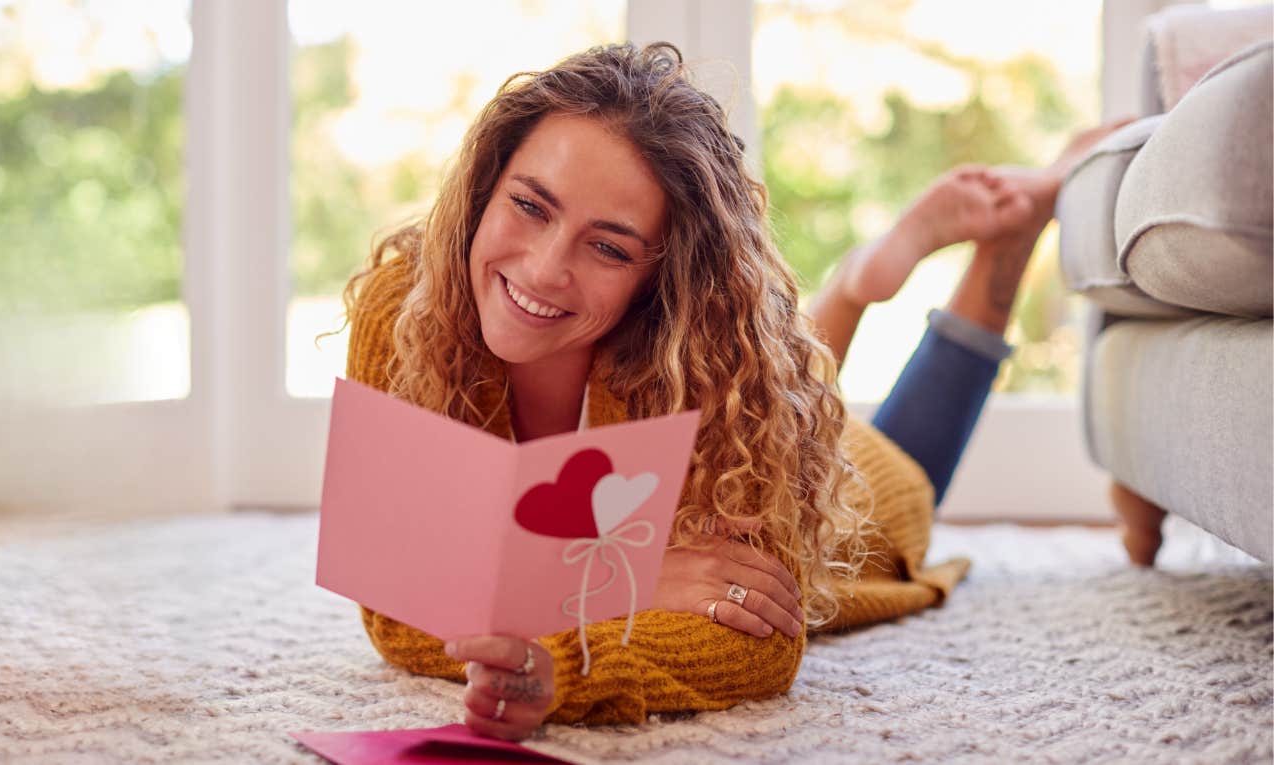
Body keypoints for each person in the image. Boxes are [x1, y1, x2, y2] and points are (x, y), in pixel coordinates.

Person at [341, 42, 1125, 741]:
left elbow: (761, 641)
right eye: (529, 204)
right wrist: (628, 576)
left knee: (905, 470)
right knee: (792, 383)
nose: (543, 270)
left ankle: (1015, 234)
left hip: (857, 491)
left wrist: (564, 667)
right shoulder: (405, 306)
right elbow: (396, 606)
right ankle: (850, 288)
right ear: (484, 186)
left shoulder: (712, 363)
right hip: (780, 398)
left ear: (661, 273)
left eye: (609, 246)